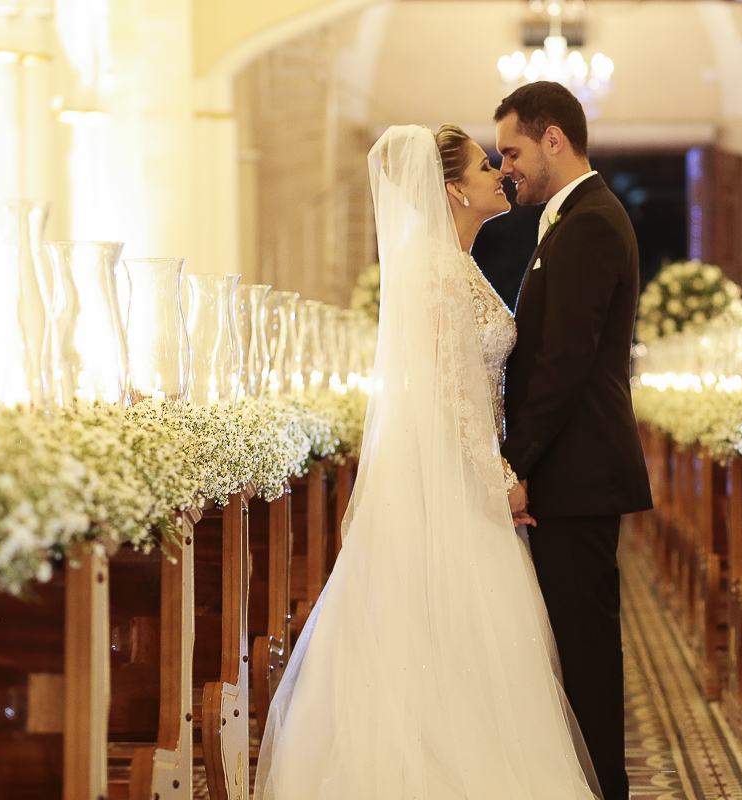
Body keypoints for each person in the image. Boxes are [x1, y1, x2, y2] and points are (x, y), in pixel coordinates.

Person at [253, 123, 602, 800]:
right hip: (453, 484)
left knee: (463, 651)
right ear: (453, 190)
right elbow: (452, 393)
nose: (500, 172)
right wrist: (498, 479)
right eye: (482, 165)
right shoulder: (439, 270)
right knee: (458, 644)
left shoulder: (454, 261)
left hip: (456, 475)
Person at [495, 81, 654, 800]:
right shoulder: (568, 218)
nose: (507, 168)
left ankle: (602, 789)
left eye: (513, 151)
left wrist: (513, 461)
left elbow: (565, 360)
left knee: (584, 646)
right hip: (572, 469)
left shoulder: (589, 220)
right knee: (572, 642)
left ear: (552, 137)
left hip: (577, 469)